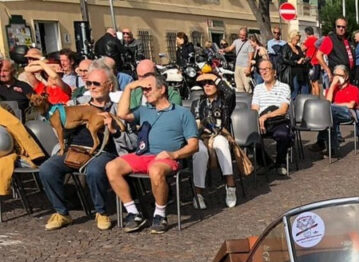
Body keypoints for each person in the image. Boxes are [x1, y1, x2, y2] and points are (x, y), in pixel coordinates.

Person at [109, 72, 199, 233]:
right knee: (112, 166)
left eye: (149, 88)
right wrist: (130, 87)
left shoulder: (182, 113)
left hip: (167, 158)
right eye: (144, 89)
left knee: (155, 170)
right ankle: (133, 212)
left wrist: (173, 154)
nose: (145, 92)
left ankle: (160, 215)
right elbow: (121, 114)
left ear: (162, 89)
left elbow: (194, 146)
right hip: (143, 155)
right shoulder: (144, 110)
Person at [40, 63, 122, 232]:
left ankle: (101, 212)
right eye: (89, 83)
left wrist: (113, 128)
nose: (92, 87)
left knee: (95, 170)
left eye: (96, 84)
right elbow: (59, 129)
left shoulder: (118, 108)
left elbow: (128, 140)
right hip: (75, 149)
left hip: (103, 152)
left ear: (110, 86)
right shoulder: (76, 103)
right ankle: (62, 212)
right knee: (47, 168)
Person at [191, 72, 237, 209]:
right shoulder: (197, 103)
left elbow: (231, 92)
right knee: (199, 151)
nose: (207, 85)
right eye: (204, 83)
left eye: (210, 83)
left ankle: (230, 186)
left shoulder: (225, 102)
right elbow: (194, 126)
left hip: (220, 135)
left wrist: (214, 77)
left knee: (221, 143)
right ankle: (198, 194)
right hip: (202, 136)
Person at [250, 60, 292, 175]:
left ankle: (280, 163)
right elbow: (255, 109)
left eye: (266, 69)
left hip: (278, 120)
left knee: (283, 135)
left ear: (274, 72)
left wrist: (265, 116)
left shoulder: (284, 87)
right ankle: (266, 163)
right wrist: (258, 120)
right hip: (262, 122)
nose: (263, 72)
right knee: (250, 138)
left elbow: (283, 109)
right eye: (261, 70)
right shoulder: (258, 88)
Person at [323, 65, 359, 149]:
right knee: (329, 115)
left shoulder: (353, 88)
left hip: (348, 114)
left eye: (340, 75)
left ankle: (321, 141)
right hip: (334, 115)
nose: (337, 78)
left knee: (331, 109)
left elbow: (351, 105)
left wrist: (335, 104)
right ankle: (333, 148)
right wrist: (332, 85)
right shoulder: (332, 89)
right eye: (335, 75)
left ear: (346, 76)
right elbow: (327, 104)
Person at [279, 31, 310, 97]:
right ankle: (294, 106)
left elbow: (302, 56)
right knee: (295, 91)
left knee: (305, 92)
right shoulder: (285, 47)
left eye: (298, 40)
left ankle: (303, 105)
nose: (297, 41)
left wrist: (304, 59)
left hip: (301, 72)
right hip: (292, 73)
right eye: (296, 40)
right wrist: (295, 62)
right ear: (291, 38)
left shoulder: (298, 48)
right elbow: (283, 59)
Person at [222, 27, 253, 93]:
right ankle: (241, 101)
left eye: (243, 35)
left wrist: (249, 68)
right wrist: (223, 50)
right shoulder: (236, 41)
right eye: (240, 35)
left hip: (245, 67)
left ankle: (250, 100)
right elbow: (230, 48)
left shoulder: (249, 43)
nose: (241, 36)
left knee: (247, 86)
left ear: (246, 35)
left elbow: (250, 58)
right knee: (239, 87)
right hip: (237, 67)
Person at [303, 26, 323, 96]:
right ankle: (315, 98)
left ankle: (316, 99)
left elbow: (303, 49)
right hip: (318, 63)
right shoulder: (317, 39)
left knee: (314, 82)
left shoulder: (309, 40)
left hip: (312, 63)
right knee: (314, 82)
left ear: (306, 33)